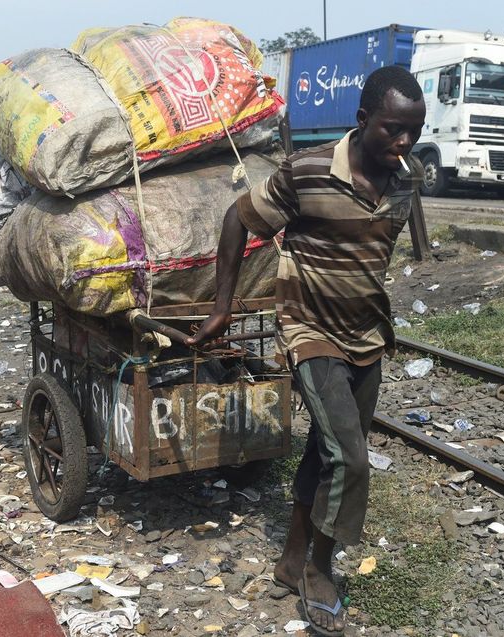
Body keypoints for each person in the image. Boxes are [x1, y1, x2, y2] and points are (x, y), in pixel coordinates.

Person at [186, 66, 426, 636]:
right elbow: (236, 219)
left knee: (327, 452)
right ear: (363, 120)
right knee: (352, 458)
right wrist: (223, 306)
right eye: (394, 129)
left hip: (368, 334)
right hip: (310, 330)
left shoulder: (407, 179)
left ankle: (291, 560)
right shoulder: (309, 170)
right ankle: (321, 570)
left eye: (414, 131)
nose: (405, 143)